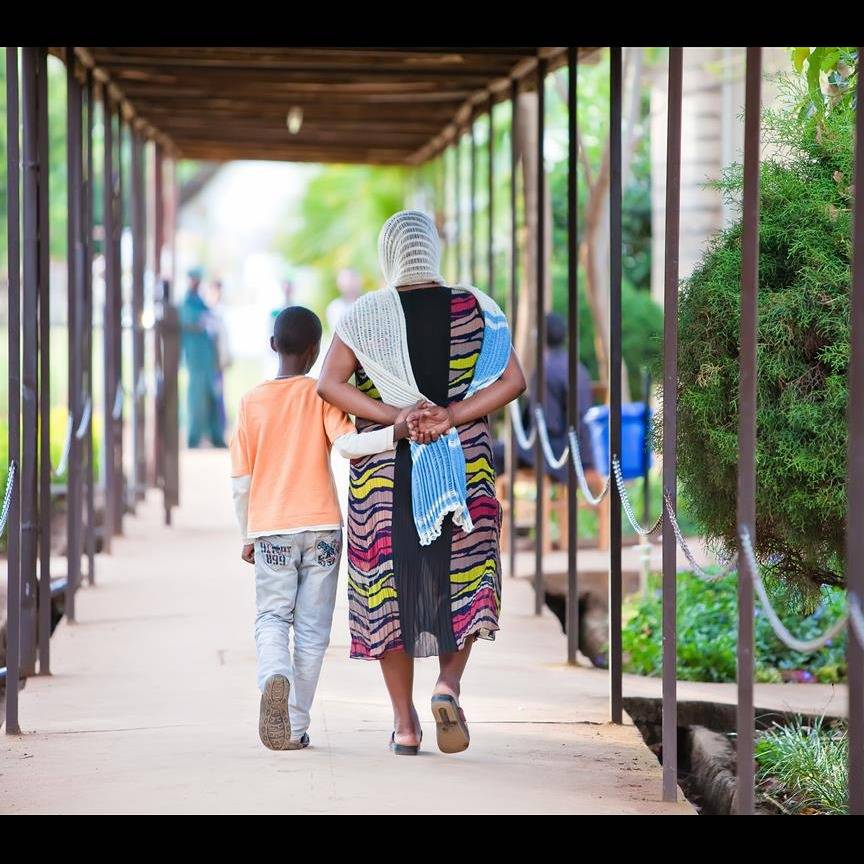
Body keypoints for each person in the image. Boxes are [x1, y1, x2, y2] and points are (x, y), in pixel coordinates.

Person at [317, 210, 526, 755]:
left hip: (387, 476)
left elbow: (329, 384)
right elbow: (513, 380)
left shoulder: (366, 315)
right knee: (466, 576)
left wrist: (397, 416)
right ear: (432, 250)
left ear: (389, 255)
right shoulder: (478, 308)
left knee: (389, 589)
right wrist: (451, 416)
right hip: (465, 471)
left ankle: (405, 724)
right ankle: (447, 686)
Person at [230, 306, 418, 751]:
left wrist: (247, 534)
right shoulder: (320, 394)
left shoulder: (251, 401)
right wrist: (395, 432)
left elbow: (241, 481)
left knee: (273, 617)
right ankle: (295, 726)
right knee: (313, 633)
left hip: (272, 530)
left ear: (272, 345)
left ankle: (274, 675)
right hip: (323, 532)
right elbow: (350, 446)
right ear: (316, 352)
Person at [494, 311, 596, 484]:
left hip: (558, 451)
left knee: (493, 452)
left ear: (539, 337)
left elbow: (548, 424)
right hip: (585, 449)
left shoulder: (545, 370)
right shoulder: (578, 367)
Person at [179, 266, 225, 448]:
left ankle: (215, 436)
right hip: (195, 360)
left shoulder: (200, 302)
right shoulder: (186, 303)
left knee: (212, 397)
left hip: (207, 359)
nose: (196, 282)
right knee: (196, 400)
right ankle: (194, 437)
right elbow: (193, 323)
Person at [206, 279, 232, 443]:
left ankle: (219, 433)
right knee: (213, 398)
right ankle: (212, 434)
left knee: (219, 398)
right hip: (211, 364)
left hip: (219, 364)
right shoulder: (209, 312)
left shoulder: (220, 311)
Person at [325, 268, 361, 333]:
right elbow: (338, 332)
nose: (350, 285)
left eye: (352, 280)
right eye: (346, 282)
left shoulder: (369, 303)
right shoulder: (335, 308)